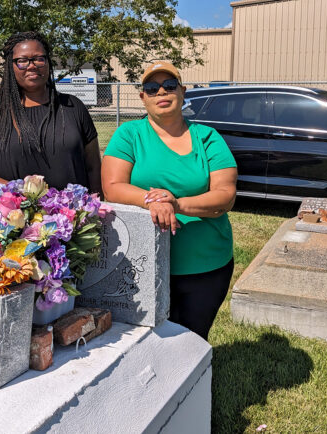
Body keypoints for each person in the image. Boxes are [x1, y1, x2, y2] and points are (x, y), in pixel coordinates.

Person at [101, 61, 238, 340]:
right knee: (144, 341)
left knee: (193, 339)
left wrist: (177, 204)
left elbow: (225, 196)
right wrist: (153, 200)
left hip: (204, 264)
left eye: (169, 85)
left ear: (183, 91)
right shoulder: (130, 134)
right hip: (141, 263)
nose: (161, 92)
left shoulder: (207, 138)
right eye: (152, 88)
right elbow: (113, 187)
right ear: (143, 97)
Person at [0, 31, 102, 193]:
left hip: (72, 215)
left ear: (48, 63)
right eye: (22, 61)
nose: (32, 65)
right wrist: (21, 193)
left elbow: (93, 167)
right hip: (13, 215)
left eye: (39, 59)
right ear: (10, 66)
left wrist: (96, 209)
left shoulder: (72, 106)